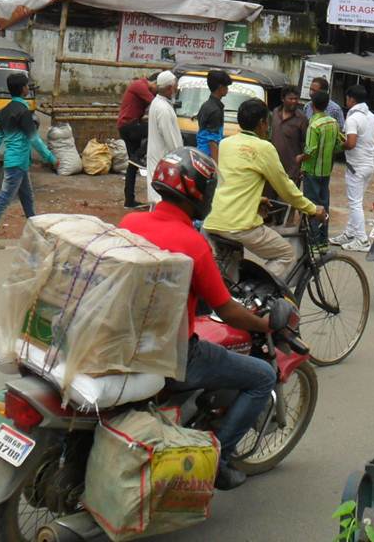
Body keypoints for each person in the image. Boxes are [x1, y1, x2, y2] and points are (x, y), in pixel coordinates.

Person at [120, 147, 273, 491]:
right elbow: (228, 309)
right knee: (263, 376)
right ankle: (221, 458)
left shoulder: (129, 223)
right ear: (198, 193)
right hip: (173, 358)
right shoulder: (193, 243)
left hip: (123, 341)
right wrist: (264, 324)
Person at [200, 98, 323, 281]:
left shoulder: (226, 143)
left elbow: (232, 182)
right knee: (286, 254)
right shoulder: (264, 148)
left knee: (230, 277)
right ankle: (258, 296)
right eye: (267, 123)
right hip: (239, 225)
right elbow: (286, 188)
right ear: (261, 123)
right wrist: (312, 209)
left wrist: (256, 200)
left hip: (212, 222)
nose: (268, 128)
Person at [0, 72, 56, 248]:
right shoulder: (24, 112)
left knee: (27, 199)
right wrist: (50, 157)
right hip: (18, 163)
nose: (29, 88)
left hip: (15, 162)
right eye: (27, 85)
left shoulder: (5, 111)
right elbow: (34, 139)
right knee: (4, 199)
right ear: (22, 89)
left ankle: (36, 235)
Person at [335, 85, 374, 251]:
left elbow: (351, 143)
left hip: (356, 167)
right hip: (369, 165)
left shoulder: (353, 118)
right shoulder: (373, 117)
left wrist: (340, 144)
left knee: (355, 203)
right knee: (357, 201)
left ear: (351, 99)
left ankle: (361, 239)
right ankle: (350, 233)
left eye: (347, 98)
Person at [118, 72, 157, 210]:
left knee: (132, 166)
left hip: (128, 126)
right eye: (157, 87)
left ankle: (129, 200)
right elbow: (156, 103)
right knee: (155, 130)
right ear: (154, 82)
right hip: (129, 126)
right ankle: (138, 156)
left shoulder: (140, 86)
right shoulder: (140, 86)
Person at [145, 70, 183, 205]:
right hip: (163, 160)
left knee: (157, 199)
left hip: (158, 158)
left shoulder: (158, 102)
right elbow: (172, 141)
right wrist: (181, 161)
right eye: (176, 86)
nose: (177, 89)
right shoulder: (163, 109)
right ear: (170, 88)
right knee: (161, 200)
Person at [300, 89, 341, 210]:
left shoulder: (314, 125)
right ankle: (323, 228)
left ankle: (314, 229)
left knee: (312, 205)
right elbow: (338, 146)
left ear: (312, 105)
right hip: (326, 170)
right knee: (324, 203)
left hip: (312, 171)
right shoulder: (334, 123)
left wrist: (300, 159)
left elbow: (310, 151)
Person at [270, 87, 309, 184]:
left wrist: (302, 166)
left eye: (296, 99)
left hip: (291, 170)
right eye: (291, 99)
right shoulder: (275, 113)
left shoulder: (302, 119)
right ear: (283, 99)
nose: (294, 101)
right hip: (273, 166)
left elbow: (306, 144)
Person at [196, 70, 230, 161]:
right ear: (220, 87)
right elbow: (212, 142)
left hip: (201, 154)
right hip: (208, 157)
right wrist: (217, 168)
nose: (227, 89)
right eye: (226, 86)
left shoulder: (205, 105)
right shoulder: (215, 111)